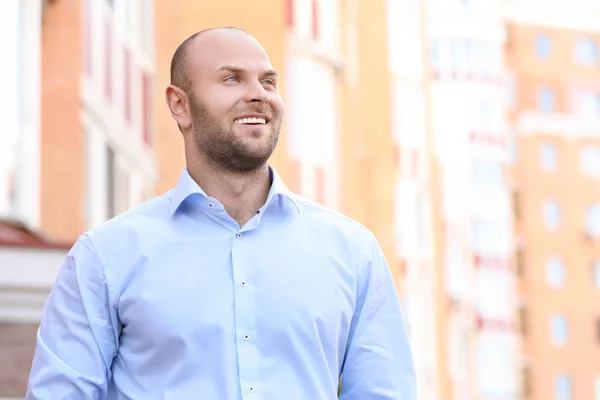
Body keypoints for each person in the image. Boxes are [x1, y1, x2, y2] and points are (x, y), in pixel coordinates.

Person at [26, 27, 416, 400]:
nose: (259, 95)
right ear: (180, 105)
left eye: (268, 81)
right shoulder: (106, 257)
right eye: (232, 79)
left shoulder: (352, 252)